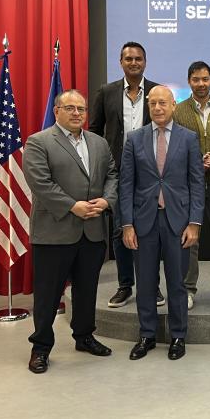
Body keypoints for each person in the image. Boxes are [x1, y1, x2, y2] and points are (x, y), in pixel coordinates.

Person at [23, 89, 118, 374]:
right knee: (48, 295)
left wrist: (107, 200)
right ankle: (41, 347)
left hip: (92, 231)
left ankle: (84, 336)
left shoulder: (99, 143)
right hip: (54, 231)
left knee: (87, 290)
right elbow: (39, 182)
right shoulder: (39, 142)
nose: (77, 113)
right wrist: (71, 206)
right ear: (57, 111)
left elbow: (112, 174)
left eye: (81, 109)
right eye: (70, 108)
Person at [120, 86, 205, 361]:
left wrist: (195, 223)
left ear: (174, 106)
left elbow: (196, 183)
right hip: (143, 222)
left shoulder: (189, 138)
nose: (157, 108)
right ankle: (147, 335)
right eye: (153, 103)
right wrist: (127, 225)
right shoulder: (134, 139)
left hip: (178, 222)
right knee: (145, 282)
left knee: (177, 282)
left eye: (163, 103)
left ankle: (178, 335)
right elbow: (126, 185)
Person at [89, 41, 165, 309]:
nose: (134, 63)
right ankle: (124, 285)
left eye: (138, 59)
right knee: (121, 230)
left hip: (151, 173)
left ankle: (152, 285)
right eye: (129, 59)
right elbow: (94, 132)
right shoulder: (106, 92)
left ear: (145, 62)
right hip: (117, 172)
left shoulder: (156, 91)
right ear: (120, 62)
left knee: (150, 231)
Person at [172, 61, 210, 309]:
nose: (201, 84)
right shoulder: (177, 112)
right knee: (190, 239)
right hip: (188, 187)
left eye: (205, 79)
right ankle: (188, 288)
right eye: (196, 79)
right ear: (189, 81)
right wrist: (195, 161)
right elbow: (174, 147)